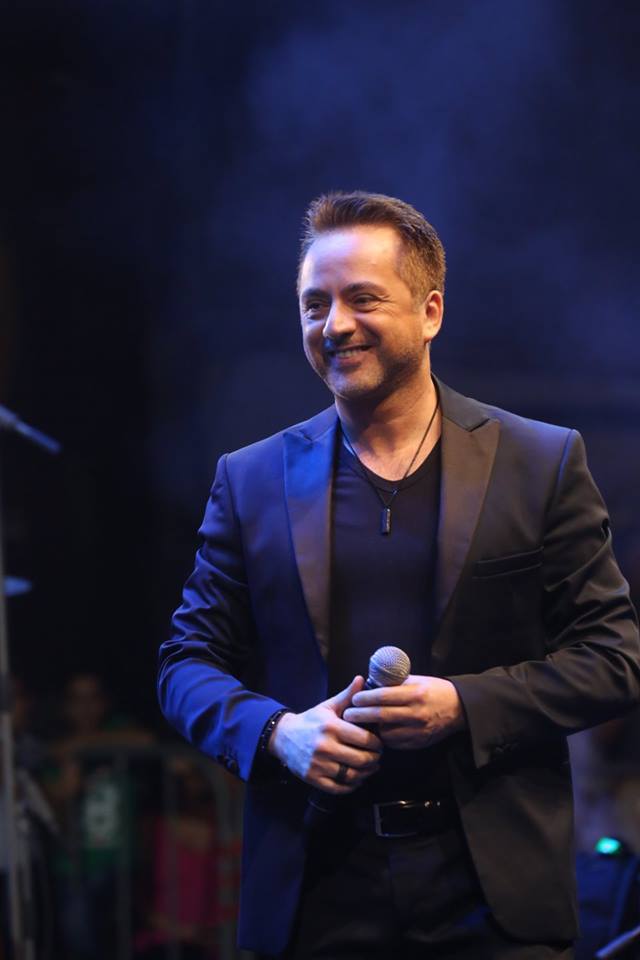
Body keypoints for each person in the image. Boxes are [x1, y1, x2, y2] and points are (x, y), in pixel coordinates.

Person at [158, 191, 640, 958]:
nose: (334, 324)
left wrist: (466, 705)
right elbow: (185, 665)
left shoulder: (539, 462)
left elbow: (615, 659)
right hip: (316, 891)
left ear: (430, 311)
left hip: (495, 898)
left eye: (363, 298)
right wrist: (279, 734)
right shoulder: (250, 479)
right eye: (315, 304)